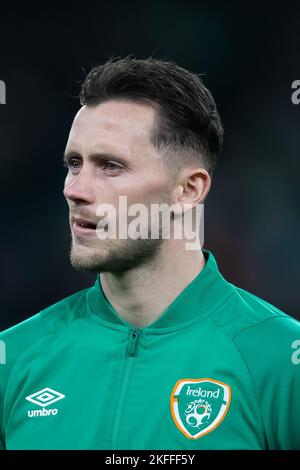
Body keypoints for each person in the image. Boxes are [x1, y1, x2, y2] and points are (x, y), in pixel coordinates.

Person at [0, 57, 299, 450]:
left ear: (189, 190)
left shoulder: (280, 360)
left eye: (110, 166)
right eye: (74, 164)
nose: (74, 189)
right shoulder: (16, 356)